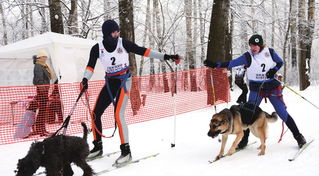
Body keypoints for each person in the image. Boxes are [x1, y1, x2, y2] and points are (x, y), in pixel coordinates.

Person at [81, 19, 181, 166]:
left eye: (118, 31)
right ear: (107, 34)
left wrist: (166, 56)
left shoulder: (124, 43)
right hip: (110, 83)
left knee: (118, 115)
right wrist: (85, 79)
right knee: (95, 113)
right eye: (114, 32)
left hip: (124, 81)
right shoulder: (97, 48)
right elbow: (90, 66)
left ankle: (126, 151)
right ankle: (97, 146)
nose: (117, 34)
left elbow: (145, 51)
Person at [204, 34, 307, 149]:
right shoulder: (248, 56)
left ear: (261, 45)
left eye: (256, 46)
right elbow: (231, 63)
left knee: (282, 113)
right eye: (252, 45)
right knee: (248, 114)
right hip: (256, 89)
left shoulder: (270, 52)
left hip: (271, 87)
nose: (253, 48)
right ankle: (244, 140)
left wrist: (273, 70)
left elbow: (280, 63)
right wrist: (215, 65)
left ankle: (298, 137)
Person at [29, 49, 55, 137]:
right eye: (44, 56)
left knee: (42, 111)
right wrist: (43, 91)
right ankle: (41, 130)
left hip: (44, 91)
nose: (45, 58)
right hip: (42, 92)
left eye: (46, 57)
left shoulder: (43, 66)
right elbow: (38, 80)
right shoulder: (38, 66)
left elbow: (45, 79)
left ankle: (41, 129)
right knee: (42, 111)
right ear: (40, 57)